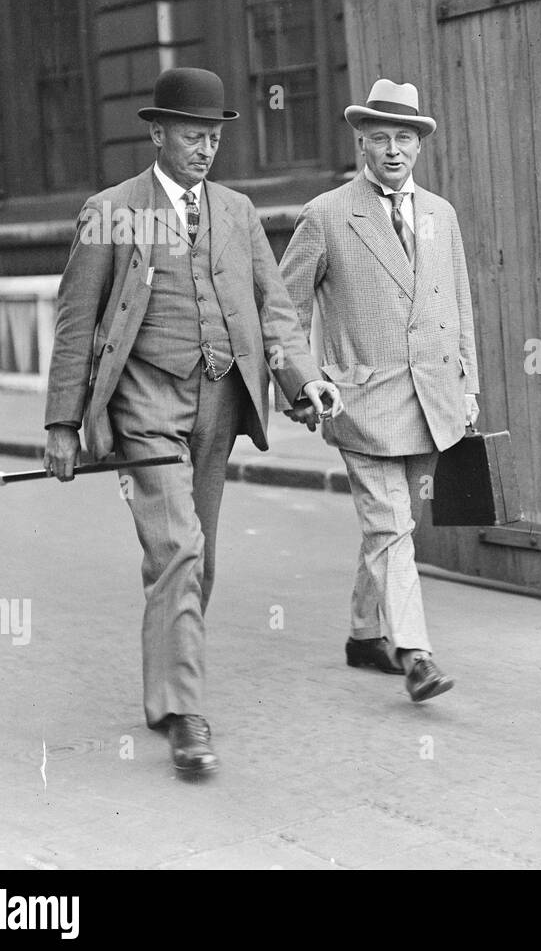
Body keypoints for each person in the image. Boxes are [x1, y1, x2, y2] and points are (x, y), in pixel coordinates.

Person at [42, 67, 342, 775]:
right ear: (157, 132)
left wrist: (306, 381)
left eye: (213, 136)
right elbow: (75, 320)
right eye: (191, 134)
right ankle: (185, 711)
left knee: (196, 556)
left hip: (220, 404)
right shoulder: (113, 209)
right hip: (145, 403)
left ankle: (163, 688)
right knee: (177, 546)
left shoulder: (238, 214)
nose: (205, 147)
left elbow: (277, 311)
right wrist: (61, 423)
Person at [277, 79, 478, 702]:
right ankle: (415, 652)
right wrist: (304, 383)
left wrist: (467, 384)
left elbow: (460, 304)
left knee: (393, 525)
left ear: (419, 146)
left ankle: (365, 634)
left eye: (405, 139)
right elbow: (280, 309)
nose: (393, 150)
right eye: (380, 138)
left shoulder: (440, 215)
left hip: (434, 400)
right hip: (359, 399)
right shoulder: (327, 214)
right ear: (361, 142)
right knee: (391, 524)